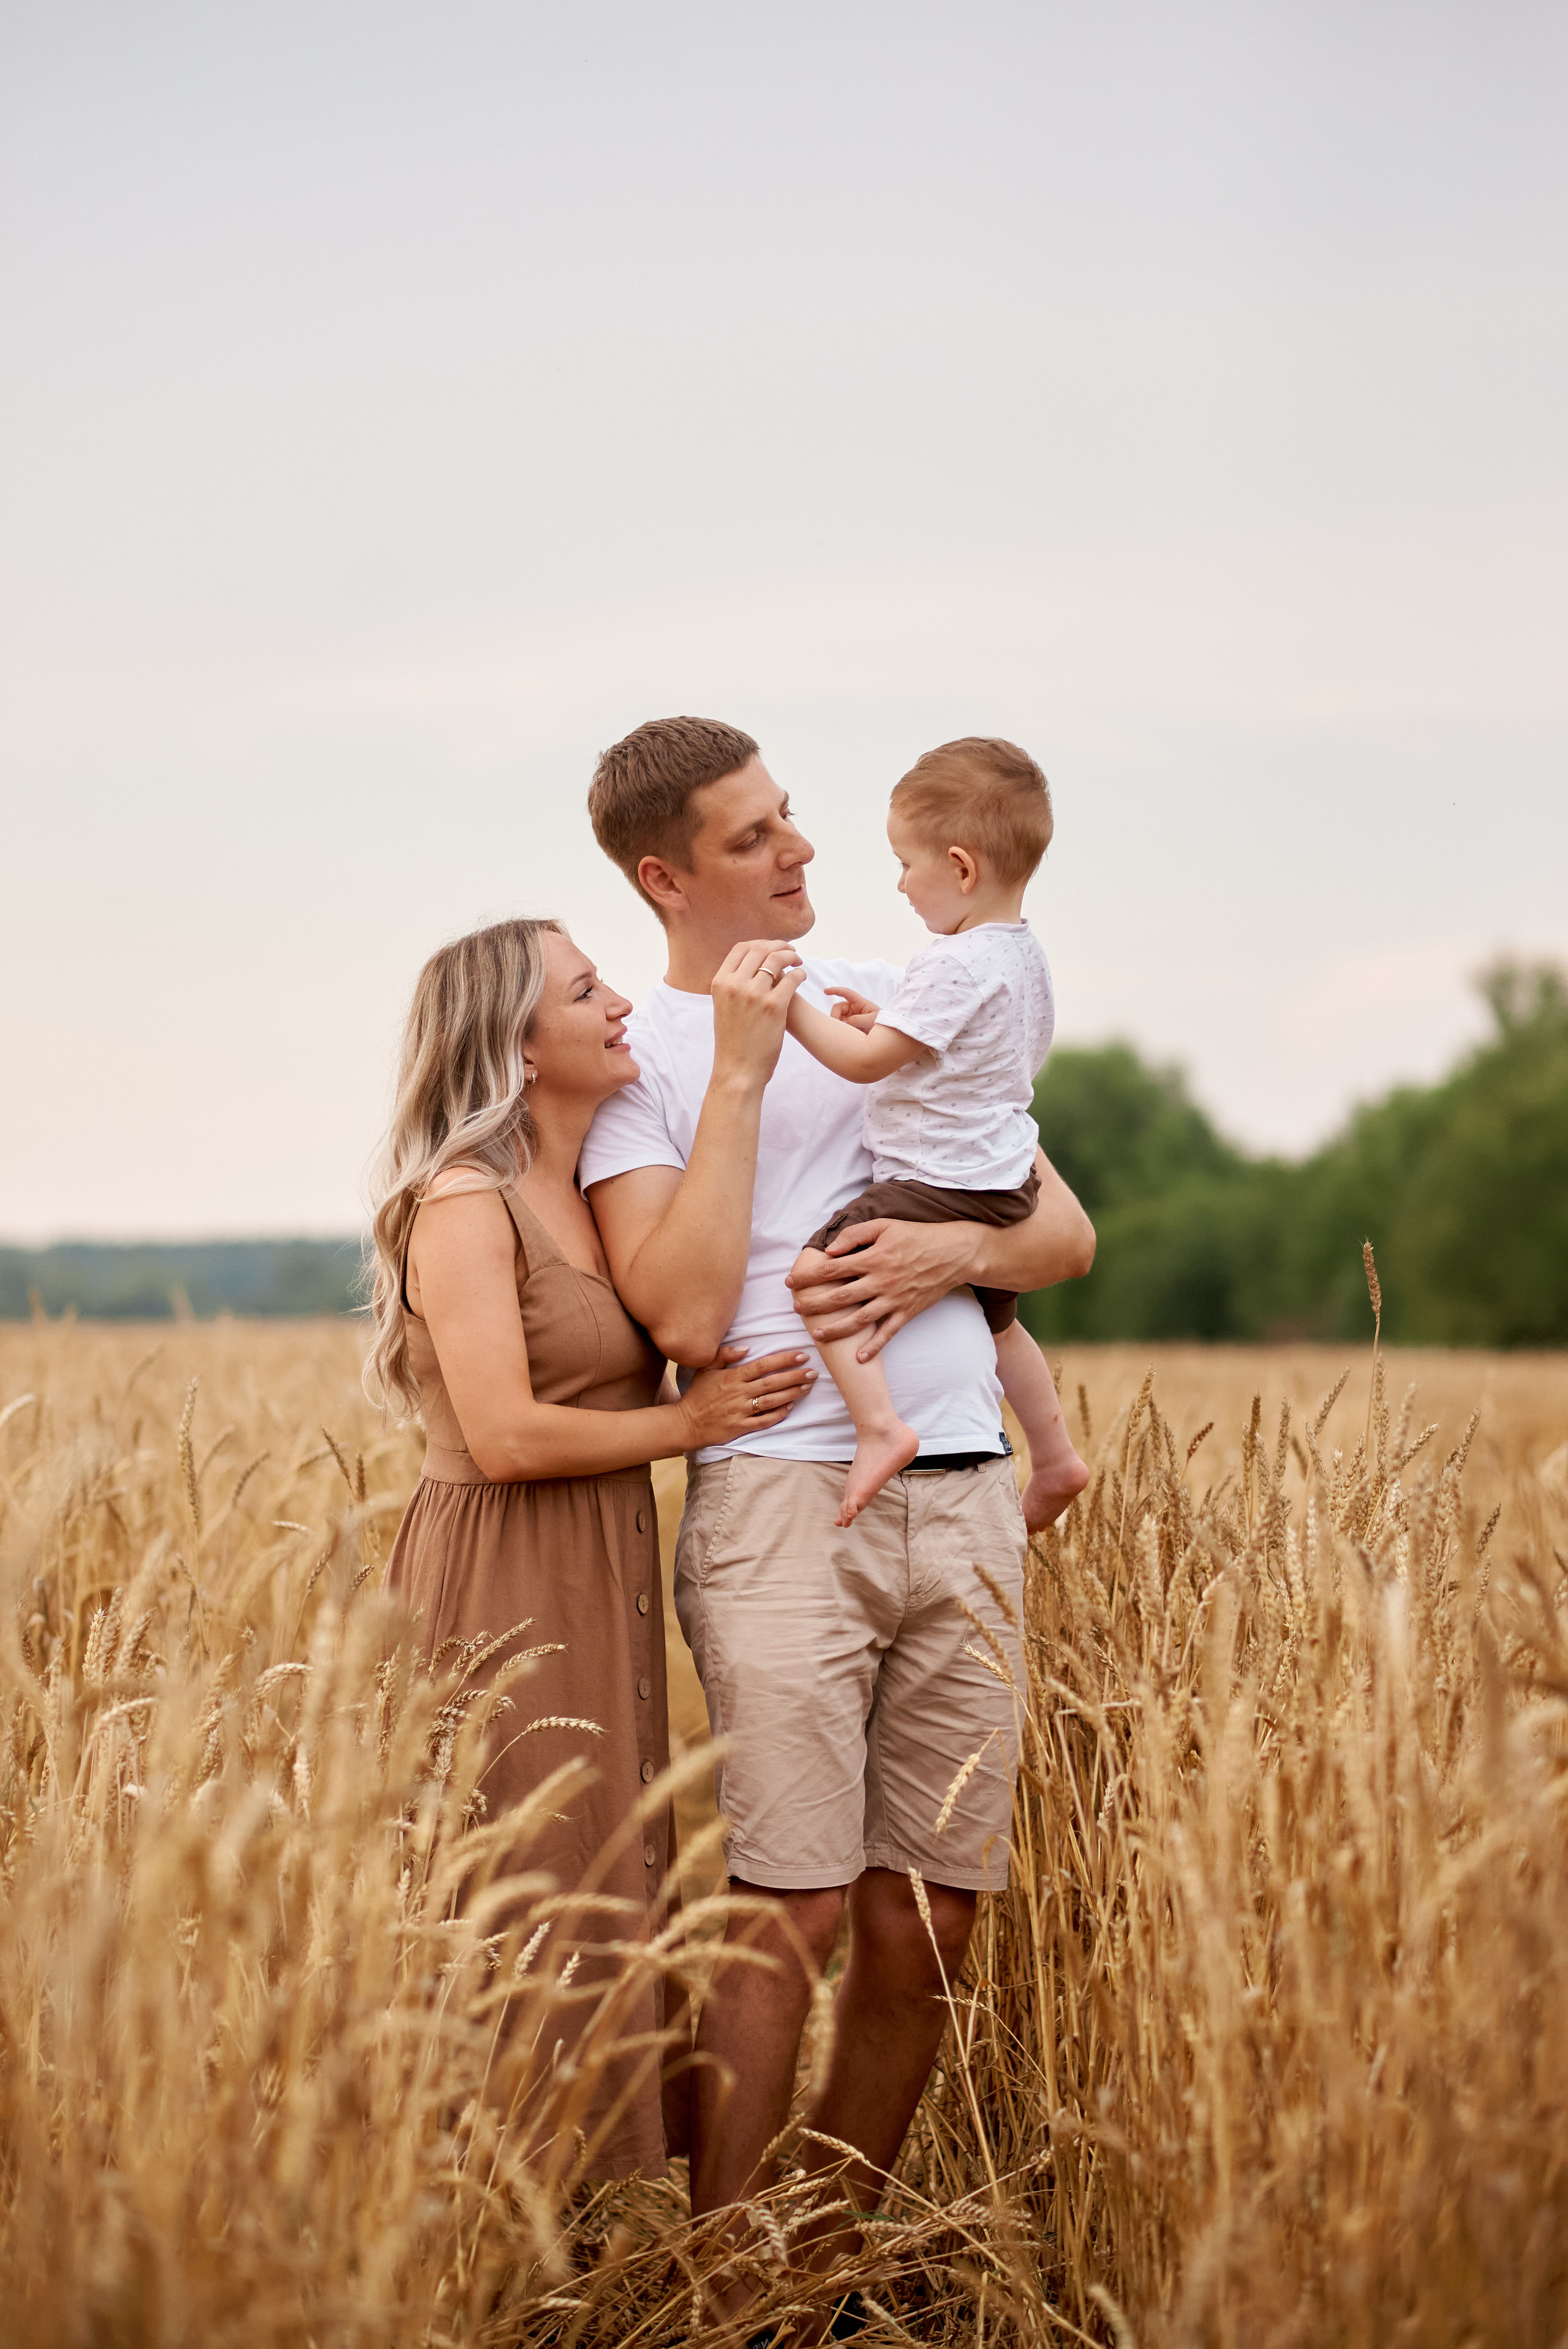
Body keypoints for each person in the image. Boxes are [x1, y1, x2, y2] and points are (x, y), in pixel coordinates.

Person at [576, 719, 1095, 2279]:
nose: (797, 849)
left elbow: (1054, 1231)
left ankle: (820, 2266)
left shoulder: (909, 993)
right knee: (788, 1912)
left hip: (966, 1495)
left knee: (928, 1923)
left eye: (791, 817)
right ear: (665, 879)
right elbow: (674, 1312)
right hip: (787, 1507)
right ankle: (720, 2279)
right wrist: (740, 1069)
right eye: (754, 836)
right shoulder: (640, 1065)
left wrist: (957, 1253)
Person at [364, 915, 817, 2181]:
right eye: (584, 990)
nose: (618, 1001)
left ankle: (580, 2220)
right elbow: (502, 1434)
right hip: (498, 1579)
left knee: (600, 1879)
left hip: (595, 1568)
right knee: (518, 1888)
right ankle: (478, 2220)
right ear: (515, 1040)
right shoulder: (462, 1199)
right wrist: (688, 1423)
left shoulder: (587, 1191)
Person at [780, 735, 1090, 1529]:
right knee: (1000, 1320)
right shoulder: (1021, 954)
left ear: (960, 867)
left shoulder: (949, 961)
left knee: (817, 1273)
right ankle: (1055, 1458)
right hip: (1002, 1177)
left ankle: (881, 1427)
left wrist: (791, 1009)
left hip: (936, 1177)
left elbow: (862, 1063)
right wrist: (894, 1016)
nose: (900, 883)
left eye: (906, 863)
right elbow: (968, 1041)